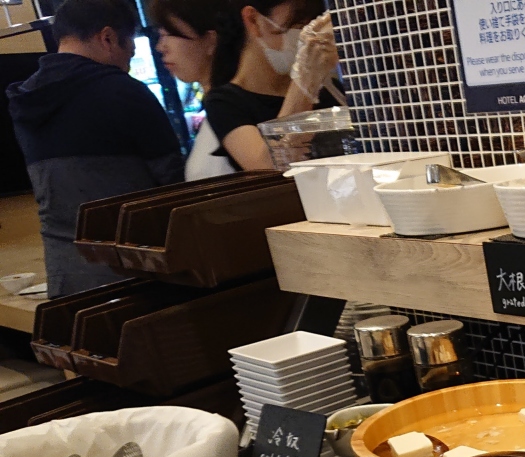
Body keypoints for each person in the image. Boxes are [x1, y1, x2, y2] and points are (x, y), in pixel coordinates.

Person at [7, 0, 184, 298]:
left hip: (65, 277)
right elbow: (176, 187)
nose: (129, 62)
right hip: (137, 276)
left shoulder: (25, 102)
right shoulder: (124, 91)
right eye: (130, 51)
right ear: (108, 38)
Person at [203, 0, 339, 171]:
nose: (308, 34)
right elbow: (266, 166)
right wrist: (306, 78)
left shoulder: (329, 90)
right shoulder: (224, 103)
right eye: (298, 23)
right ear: (253, 21)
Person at [151, 0, 236, 179]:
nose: (161, 47)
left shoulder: (233, 111)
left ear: (211, 40)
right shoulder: (217, 108)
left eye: (169, 34)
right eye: (160, 35)